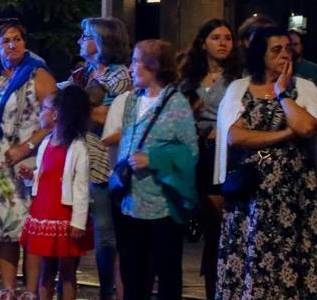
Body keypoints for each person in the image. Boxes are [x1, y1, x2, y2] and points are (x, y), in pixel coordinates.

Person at [215, 27, 317, 298]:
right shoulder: (240, 88)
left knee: (288, 261)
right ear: (259, 54)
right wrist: (285, 134)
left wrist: (282, 93)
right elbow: (234, 136)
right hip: (251, 193)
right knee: (251, 256)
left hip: (292, 195)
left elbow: (308, 127)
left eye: (288, 48)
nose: (284, 54)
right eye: (276, 50)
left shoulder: (304, 88)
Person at [106, 39, 197, 300]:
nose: (132, 67)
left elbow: (190, 152)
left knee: (167, 274)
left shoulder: (175, 103)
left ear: (153, 66)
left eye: (136, 61)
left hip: (162, 208)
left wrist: (154, 158)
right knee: (132, 273)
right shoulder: (133, 100)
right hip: (129, 202)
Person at [0, 19, 56, 297]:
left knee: (30, 229)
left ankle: (31, 289)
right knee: (3, 228)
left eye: (17, 39)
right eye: (6, 41)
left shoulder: (38, 75)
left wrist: (28, 146)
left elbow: (55, 119)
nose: (12, 45)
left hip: (29, 165)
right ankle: (8, 287)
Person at [178, 18, 242, 300]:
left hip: (225, 156)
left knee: (220, 229)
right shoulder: (189, 77)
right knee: (203, 228)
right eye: (216, 37)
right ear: (203, 42)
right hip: (195, 155)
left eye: (227, 38)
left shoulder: (239, 78)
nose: (223, 43)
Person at [68, 16, 130, 300]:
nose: (80, 40)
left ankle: (111, 291)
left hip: (105, 163)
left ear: (103, 40)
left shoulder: (118, 75)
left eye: (86, 35)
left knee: (106, 235)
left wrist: (78, 109)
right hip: (81, 158)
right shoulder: (85, 73)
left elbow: (88, 105)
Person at [19, 86, 92, 300]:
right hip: (44, 211)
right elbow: (46, 174)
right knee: (46, 268)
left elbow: (80, 186)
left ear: (57, 114)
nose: (40, 113)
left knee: (67, 270)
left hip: (64, 214)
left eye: (45, 109)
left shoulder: (77, 147)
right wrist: (31, 176)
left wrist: (78, 221)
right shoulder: (46, 142)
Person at [288, 29, 317, 118]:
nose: (292, 48)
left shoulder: (314, 68)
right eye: (289, 45)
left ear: (302, 46)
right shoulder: (279, 69)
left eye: (295, 44)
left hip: (312, 117)